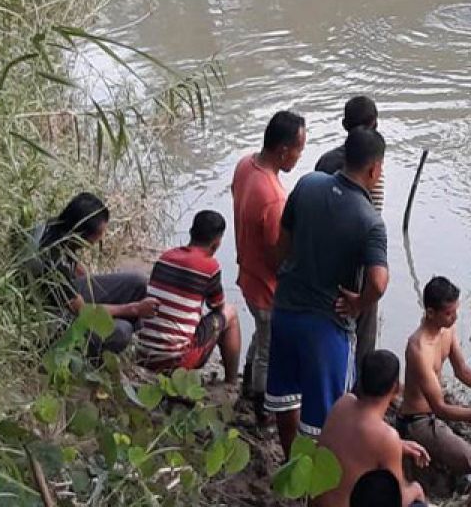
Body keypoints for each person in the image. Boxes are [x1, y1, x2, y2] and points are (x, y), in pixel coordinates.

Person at [266, 127, 389, 454]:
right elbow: (378, 282)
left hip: (287, 311)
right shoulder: (370, 220)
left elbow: (281, 246)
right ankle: (320, 487)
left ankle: (291, 462)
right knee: (329, 417)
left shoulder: (308, 184)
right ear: (374, 169)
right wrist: (358, 304)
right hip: (327, 327)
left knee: (286, 398)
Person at [397, 276, 471, 507]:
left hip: (434, 415)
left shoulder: (447, 330)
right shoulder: (418, 348)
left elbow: (462, 371)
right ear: (430, 313)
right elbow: (441, 408)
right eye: (448, 313)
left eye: (456, 311)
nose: (454, 318)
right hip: (418, 422)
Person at [232, 110, 307, 419]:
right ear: (283, 150)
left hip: (247, 273)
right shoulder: (275, 199)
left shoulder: (245, 165)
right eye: (300, 149)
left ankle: (248, 385)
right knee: (270, 352)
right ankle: (262, 406)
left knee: (262, 336)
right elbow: (280, 257)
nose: (300, 157)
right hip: (266, 287)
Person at [36, 192, 158, 354]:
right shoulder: (54, 263)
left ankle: (117, 322)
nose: (101, 238)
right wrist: (133, 309)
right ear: (81, 233)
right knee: (122, 330)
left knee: (137, 282)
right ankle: (92, 355)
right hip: (53, 317)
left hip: (64, 297)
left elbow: (72, 262)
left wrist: (89, 279)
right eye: (99, 233)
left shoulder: (56, 227)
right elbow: (82, 311)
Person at [314, 96, 383, 370]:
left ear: (343, 125)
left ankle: (330, 374)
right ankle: (361, 387)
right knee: (363, 322)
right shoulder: (373, 165)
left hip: (324, 257)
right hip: (360, 258)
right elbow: (372, 217)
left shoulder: (324, 162)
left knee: (330, 321)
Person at [137, 210, 242, 385]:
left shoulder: (166, 257)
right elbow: (217, 305)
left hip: (144, 354)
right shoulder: (209, 266)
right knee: (230, 313)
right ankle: (231, 383)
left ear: (191, 232)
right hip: (176, 361)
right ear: (216, 243)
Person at [316, 350, 428, 507]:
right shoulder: (386, 437)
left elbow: (354, 440)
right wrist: (416, 489)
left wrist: (399, 445)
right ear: (396, 388)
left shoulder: (343, 403)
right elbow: (395, 499)